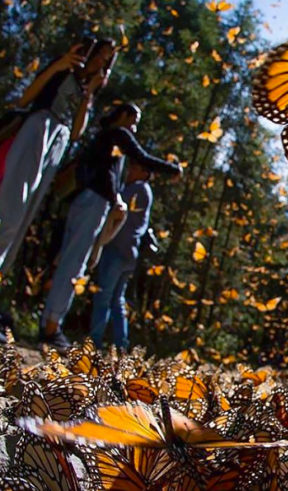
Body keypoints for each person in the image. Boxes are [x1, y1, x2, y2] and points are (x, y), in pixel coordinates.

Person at [39, 103, 181, 348]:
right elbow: (141, 157)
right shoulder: (117, 134)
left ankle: (50, 322)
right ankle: (52, 327)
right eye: (134, 120)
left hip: (84, 201)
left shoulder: (102, 140)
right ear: (124, 116)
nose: (134, 128)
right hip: (94, 202)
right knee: (75, 264)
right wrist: (172, 169)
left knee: (70, 260)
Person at [0, 39, 116, 273]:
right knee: (14, 202)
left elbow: (75, 134)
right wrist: (58, 66)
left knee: (27, 211)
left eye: (107, 59)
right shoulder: (63, 69)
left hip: (59, 141)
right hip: (40, 126)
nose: (100, 60)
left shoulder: (86, 94)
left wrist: (89, 94)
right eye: (100, 53)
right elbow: (25, 99)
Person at [88, 158, 179, 350]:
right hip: (130, 253)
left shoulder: (136, 188)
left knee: (104, 296)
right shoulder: (144, 190)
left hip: (118, 249)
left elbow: (114, 205)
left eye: (135, 167)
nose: (129, 170)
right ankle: (121, 345)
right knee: (116, 300)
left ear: (145, 173)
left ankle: (94, 343)